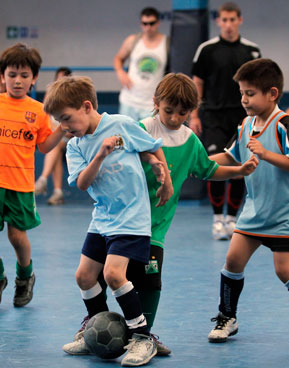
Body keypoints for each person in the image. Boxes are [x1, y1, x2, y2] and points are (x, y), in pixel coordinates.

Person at [63, 73, 260, 357]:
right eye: (169, 111)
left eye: (183, 113)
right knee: (100, 275)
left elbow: (207, 169)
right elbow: (135, 158)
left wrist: (238, 171)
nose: (175, 118)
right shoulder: (140, 128)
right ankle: (98, 326)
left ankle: (144, 337)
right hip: (126, 217)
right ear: (157, 103)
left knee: (149, 282)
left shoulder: (190, 140)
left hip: (156, 225)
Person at [206, 58, 289, 348]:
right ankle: (227, 317)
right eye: (241, 93)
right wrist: (197, 164)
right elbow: (230, 157)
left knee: (284, 269)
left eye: (250, 93)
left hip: (284, 213)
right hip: (254, 211)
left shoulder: (284, 124)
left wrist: (265, 154)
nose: (244, 99)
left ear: (272, 93)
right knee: (232, 261)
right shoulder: (244, 125)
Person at [44, 75, 172, 367]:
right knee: (84, 276)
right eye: (59, 121)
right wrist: (100, 155)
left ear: (86, 106)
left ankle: (142, 337)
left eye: (66, 118)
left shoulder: (122, 124)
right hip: (102, 218)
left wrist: (163, 177)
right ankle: (97, 329)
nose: (63, 127)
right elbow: (81, 183)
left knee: (114, 275)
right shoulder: (76, 145)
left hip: (131, 217)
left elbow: (151, 146)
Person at [0, 43, 64, 308]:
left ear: (34, 78)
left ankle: (25, 277)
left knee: (17, 237)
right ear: (2, 77)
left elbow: (44, 146)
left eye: (24, 75)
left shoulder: (39, 110)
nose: (17, 81)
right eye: (12, 75)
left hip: (20, 185)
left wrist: (62, 130)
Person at [190, 2, 261, 240]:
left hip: (243, 120)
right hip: (213, 117)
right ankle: (217, 219)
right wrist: (194, 115)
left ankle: (232, 219)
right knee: (216, 165)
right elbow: (197, 83)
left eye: (233, 19)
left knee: (241, 168)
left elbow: (258, 87)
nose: (228, 24)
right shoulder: (207, 50)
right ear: (218, 21)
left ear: (240, 20)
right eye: (224, 20)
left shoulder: (252, 50)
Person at [114, 7, 169, 121]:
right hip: (129, 100)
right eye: (145, 24)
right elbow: (118, 58)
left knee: (149, 138)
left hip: (151, 104)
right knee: (125, 137)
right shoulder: (132, 40)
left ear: (158, 23)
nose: (148, 27)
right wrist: (120, 72)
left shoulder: (167, 43)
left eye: (151, 23)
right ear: (141, 24)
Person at [34, 67, 73, 205]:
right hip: (55, 135)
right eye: (58, 77)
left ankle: (43, 179)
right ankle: (58, 192)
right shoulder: (50, 94)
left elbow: (72, 125)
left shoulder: (72, 97)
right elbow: (45, 116)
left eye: (63, 78)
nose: (60, 80)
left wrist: (62, 130)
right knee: (55, 147)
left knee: (55, 146)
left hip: (70, 135)